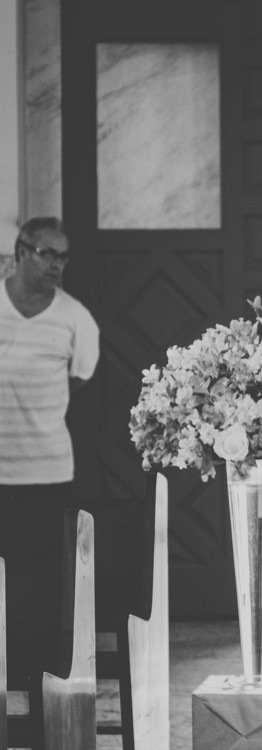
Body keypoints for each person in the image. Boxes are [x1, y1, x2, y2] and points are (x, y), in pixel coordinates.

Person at [0, 216, 99, 687]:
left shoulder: (76, 318)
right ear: (21, 252)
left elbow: (79, 378)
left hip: (47, 472)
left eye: (63, 256)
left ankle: (30, 683)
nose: (57, 264)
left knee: (38, 583)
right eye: (47, 254)